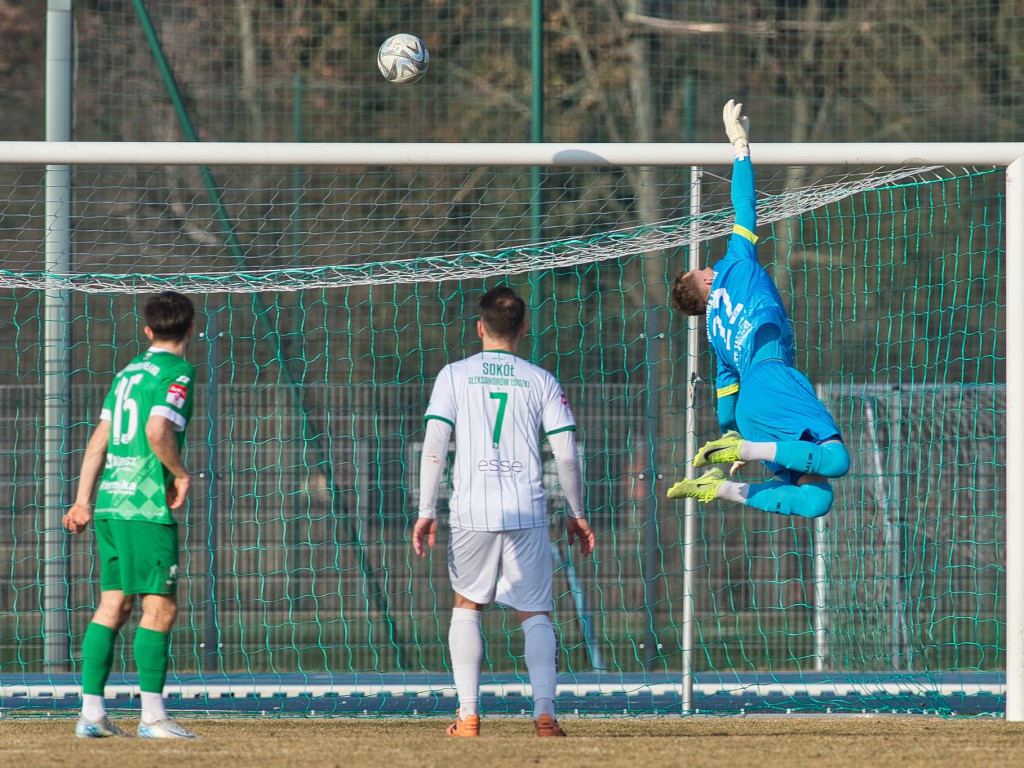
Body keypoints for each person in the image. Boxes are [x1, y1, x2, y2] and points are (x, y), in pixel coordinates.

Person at [412, 285, 595, 738]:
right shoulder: (541, 379)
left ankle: (468, 717)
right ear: (524, 328)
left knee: (467, 605)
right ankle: (545, 716)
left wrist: (426, 509)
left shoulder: (454, 375)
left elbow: (435, 445)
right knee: (535, 613)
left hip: (471, 510)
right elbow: (566, 455)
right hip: (525, 510)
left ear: (480, 328)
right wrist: (576, 511)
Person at [665, 100, 850, 518]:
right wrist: (740, 149)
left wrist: (731, 433)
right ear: (706, 282)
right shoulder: (735, 263)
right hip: (773, 380)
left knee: (817, 500)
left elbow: (726, 394)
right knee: (836, 460)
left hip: (750, 409)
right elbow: (745, 204)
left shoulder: (715, 333)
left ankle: (723, 487)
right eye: (701, 269)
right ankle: (748, 451)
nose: (708, 267)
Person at [62, 290, 198, 739]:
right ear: (191, 329)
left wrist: (82, 500)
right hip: (145, 505)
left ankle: (92, 715)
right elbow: (157, 429)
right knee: (160, 606)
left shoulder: (127, 373)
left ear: (148, 330)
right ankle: (154, 718)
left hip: (110, 503)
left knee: (114, 604)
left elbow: (99, 440)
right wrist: (181, 473)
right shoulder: (177, 371)